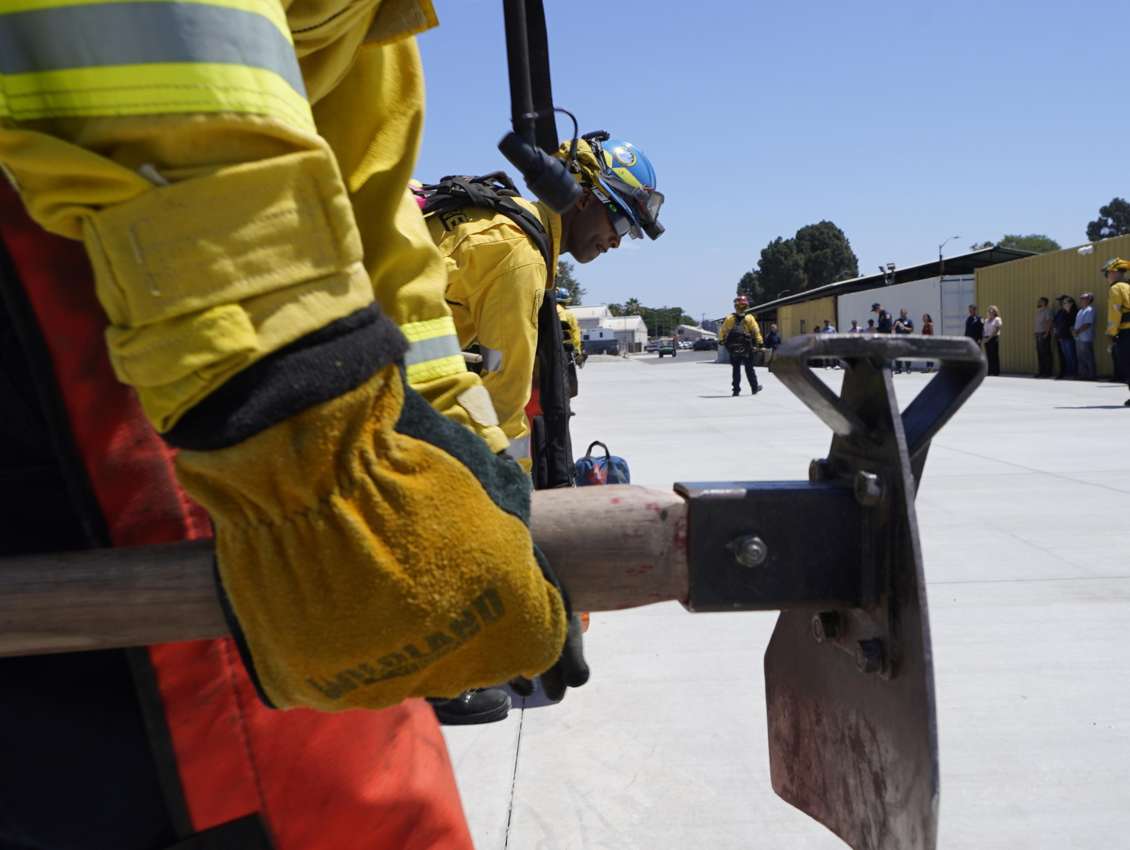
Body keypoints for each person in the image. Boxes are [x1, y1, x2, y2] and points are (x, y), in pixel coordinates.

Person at [0, 3, 585, 846]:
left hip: (254, 405)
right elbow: (159, 58)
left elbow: (367, 204)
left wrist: (462, 473)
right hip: (138, 391)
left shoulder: (380, 38)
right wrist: (309, 446)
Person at [420, 135, 661, 722]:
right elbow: (503, 413)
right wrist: (523, 527)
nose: (615, 240)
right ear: (582, 200)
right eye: (617, 222)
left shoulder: (508, 229)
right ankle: (440, 678)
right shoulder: (520, 257)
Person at [720, 295, 764, 396]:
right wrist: (760, 342)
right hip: (747, 347)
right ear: (746, 306)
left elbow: (723, 331)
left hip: (733, 348)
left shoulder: (729, 318)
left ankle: (736, 390)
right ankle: (754, 388)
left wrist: (722, 340)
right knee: (749, 368)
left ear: (736, 306)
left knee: (736, 369)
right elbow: (756, 331)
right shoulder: (750, 318)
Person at [1103, 258, 1130, 405]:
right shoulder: (1128, 286)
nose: (1106, 276)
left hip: (1127, 331)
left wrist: (1111, 333)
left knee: (1127, 364)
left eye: (1106, 273)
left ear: (1113, 272)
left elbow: (1115, 313)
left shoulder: (1116, 288)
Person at [1053, 295, 1078, 379]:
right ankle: (1067, 373)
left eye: (1063, 302)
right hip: (1061, 337)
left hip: (1069, 336)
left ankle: (1074, 373)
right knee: (1066, 356)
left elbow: (1073, 323)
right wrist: (1056, 331)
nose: (1061, 303)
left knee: (1071, 356)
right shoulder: (1060, 311)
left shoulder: (1073, 311)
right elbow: (1055, 322)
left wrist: (1068, 311)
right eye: (1061, 302)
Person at [1074, 292, 1097, 380]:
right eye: (1081, 298)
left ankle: (1091, 375)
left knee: (1088, 357)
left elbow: (1088, 324)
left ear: (1089, 300)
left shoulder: (1090, 310)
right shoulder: (1080, 310)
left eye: (1083, 298)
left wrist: (1078, 331)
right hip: (1078, 337)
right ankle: (1083, 375)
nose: (1081, 300)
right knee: (1080, 357)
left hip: (1085, 337)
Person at [1033, 297, 1055, 378]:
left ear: (1045, 302)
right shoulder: (1039, 311)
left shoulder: (1047, 311)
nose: (1038, 302)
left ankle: (1047, 372)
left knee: (1046, 353)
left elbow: (1049, 322)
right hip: (1038, 334)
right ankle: (1041, 371)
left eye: (1040, 301)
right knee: (1040, 353)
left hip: (1043, 334)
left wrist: (1046, 333)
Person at [893, 308, 914, 373]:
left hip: (906, 340)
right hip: (898, 340)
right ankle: (898, 369)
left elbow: (911, 329)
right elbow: (892, 329)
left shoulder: (909, 321)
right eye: (901, 313)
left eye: (903, 313)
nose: (902, 314)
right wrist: (896, 324)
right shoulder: (897, 320)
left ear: (906, 313)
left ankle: (908, 368)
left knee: (907, 355)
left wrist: (904, 327)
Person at [983, 305, 1003, 376]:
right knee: (988, 355)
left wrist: (989, 338)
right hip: (986, 338)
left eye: (992, 311)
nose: (990, 312)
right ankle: (989, 371)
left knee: (994, 355)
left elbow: (996, 330)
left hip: (993, 338)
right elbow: (984, 330)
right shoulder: (986, 320)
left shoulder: (997, 319)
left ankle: (995, 371)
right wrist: (984, 338)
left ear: (995, 312)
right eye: (989, 311)